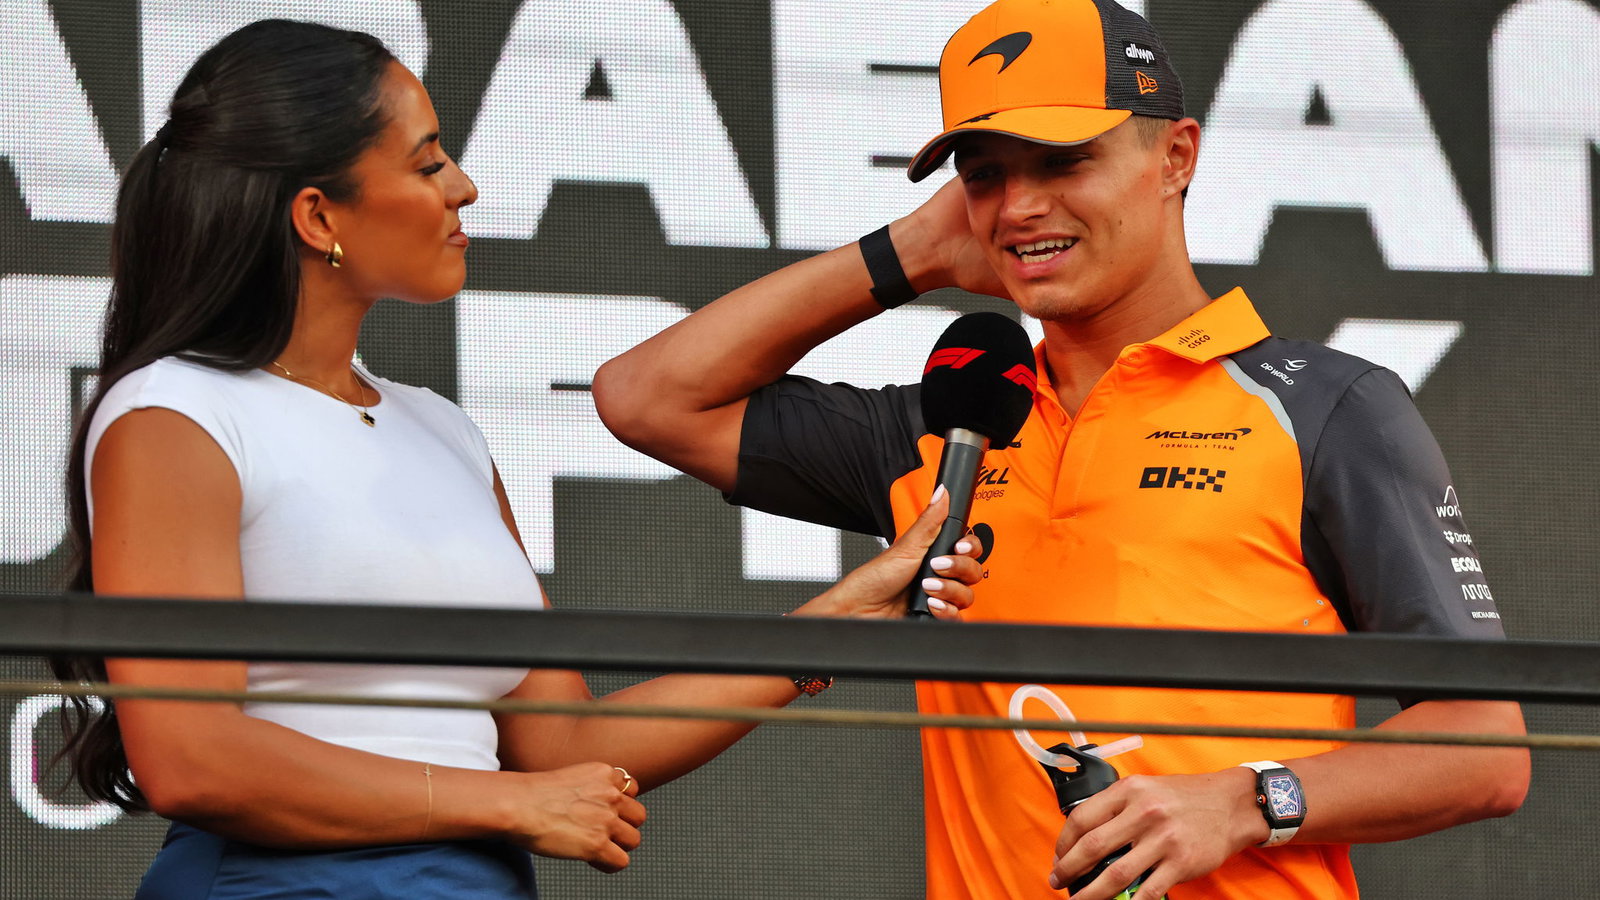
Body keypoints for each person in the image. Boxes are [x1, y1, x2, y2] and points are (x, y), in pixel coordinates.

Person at [593, 0, 1530, 897]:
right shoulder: (946, 432)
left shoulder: (1326, 407)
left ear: (1176, 156)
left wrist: (1248, 801)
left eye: (1062, 161)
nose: (1019, 207)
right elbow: (646, 399)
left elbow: (1487, 748)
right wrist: (910, 254)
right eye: (984, 176)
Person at [50, 19, 984, 900]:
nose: (463, 187)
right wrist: (504, 805)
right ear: (318, 215)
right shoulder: (174, 413)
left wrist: (839, 618)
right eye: (427, 163)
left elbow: (567, 745)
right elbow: (191, 758)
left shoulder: (442, 430)